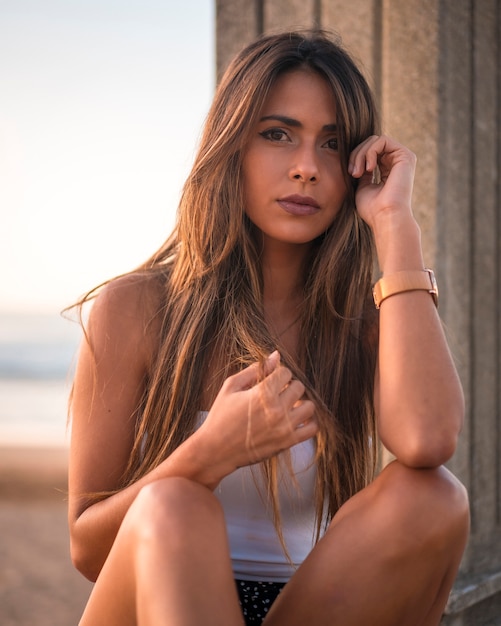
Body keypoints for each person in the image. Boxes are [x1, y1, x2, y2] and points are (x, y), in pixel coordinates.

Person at [67, 29, 470, 626]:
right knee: (176, 504)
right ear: (232, 147)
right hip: (157, 600)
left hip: (302, 607)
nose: (307, 168)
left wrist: (395, 225)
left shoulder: (359, 322)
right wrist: (207, 454)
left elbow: (429, 442)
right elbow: (87, 550)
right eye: (277, 134)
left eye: (332, 145)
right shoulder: (134, 309)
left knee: (435, 498)